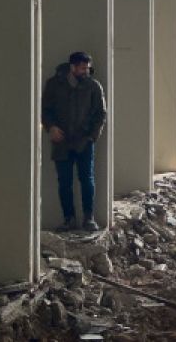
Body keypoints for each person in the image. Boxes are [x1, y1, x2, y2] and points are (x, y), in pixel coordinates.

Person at [41, 51, 107, 232]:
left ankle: (88, 218)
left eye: (87, 68)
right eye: (82, 68)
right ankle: (68, 219)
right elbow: (45, 110)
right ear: (72, 67)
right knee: (64, 182)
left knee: (87, 180)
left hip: (84, 142)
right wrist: (51, 128)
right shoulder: (54, 85)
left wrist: (91, 137)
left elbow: (101, 114)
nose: (86, 71)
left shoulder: (93, 86)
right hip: (61, 141)